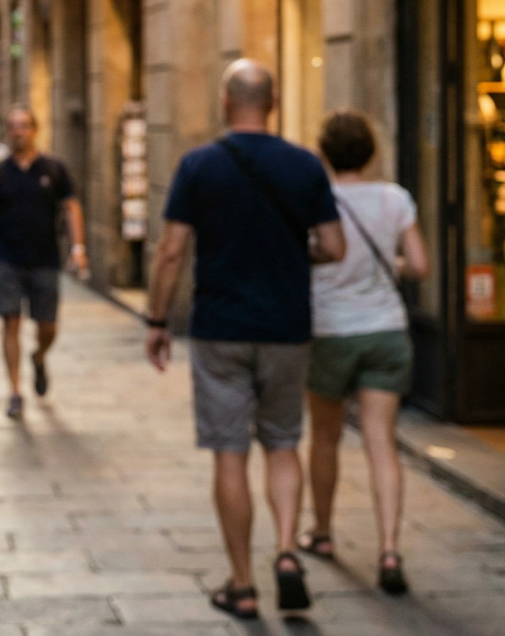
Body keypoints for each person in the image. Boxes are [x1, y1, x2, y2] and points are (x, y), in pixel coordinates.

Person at [144, 60, 346, 621]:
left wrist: (157, 321)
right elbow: (334, 245)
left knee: (229, 453)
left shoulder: (200, 165)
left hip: (221, 329)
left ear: (225, 102)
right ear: (273, 102)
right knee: (282, 443)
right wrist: (292, 254)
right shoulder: (305, 165)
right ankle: (286, 551)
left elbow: (170, 251)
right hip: (287, 327)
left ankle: (242, 582)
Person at [298, 110, 427, 595]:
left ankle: (324, 533)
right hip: (387, 332)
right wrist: (389, 261)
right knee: (381, 442)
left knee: (326, 438)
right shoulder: (394, 199)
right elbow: (419, 264)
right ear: (371, 151)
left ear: (324, 152)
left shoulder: (317, 199)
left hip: (331, 330)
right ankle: (389, 549)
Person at [0, 107, 86, 419]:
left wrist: (78, 248)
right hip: (7, 260)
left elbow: (71, 207)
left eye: (24, 126)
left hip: (46, 260)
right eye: (13, 126)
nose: (18, 131)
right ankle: (15, 390)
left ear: (35, 130)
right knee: (10, 321)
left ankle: (38, 356)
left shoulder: (54, 168)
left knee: (47, 326)